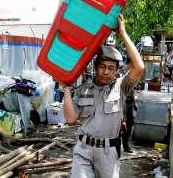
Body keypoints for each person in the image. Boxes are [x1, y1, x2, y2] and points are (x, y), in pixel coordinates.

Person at [61, 15, 144, 178]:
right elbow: (70, 119)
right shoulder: (82, 89)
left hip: (108, 154)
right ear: (96, 67)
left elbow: (139, 67)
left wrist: (123, 33)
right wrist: (65, 89)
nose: (106, 72)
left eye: (111, 68)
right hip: (83, 150)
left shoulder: (121, 87)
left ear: (116, 70)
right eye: (102, 67)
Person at [121, 58, 135, 153]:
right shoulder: (121, 73)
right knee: (121, 124)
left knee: (129, 124)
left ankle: (126, 145)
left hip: (130, 102)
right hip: (122, 102)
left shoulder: (133, 73)